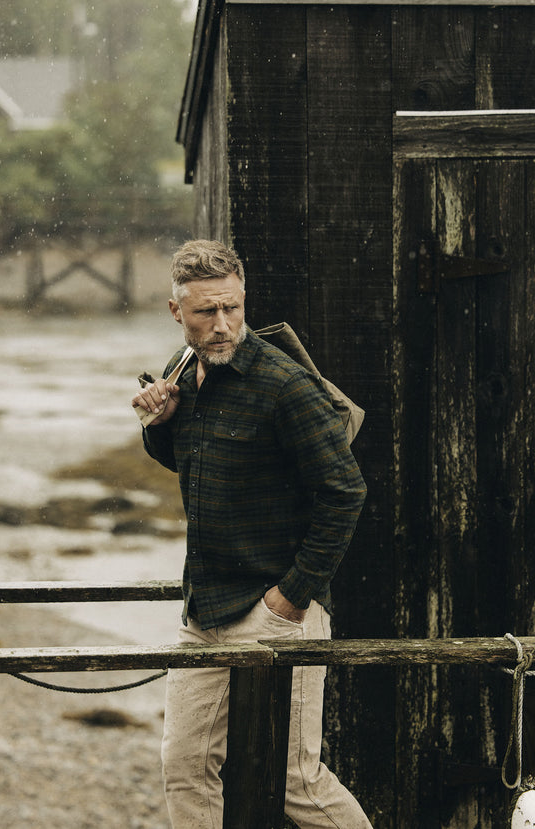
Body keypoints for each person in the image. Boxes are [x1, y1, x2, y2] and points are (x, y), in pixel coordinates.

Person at [131, 239, 372, 829]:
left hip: (275, 611)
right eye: (205, 312)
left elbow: (344, 491)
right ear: (175, 312)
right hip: (203, 611)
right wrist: (159, 426)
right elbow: (196, 464)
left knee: (298, 783)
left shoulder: (285, 386)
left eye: (231, 308)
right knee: (185, 768)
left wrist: (291, 597)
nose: (222, 325)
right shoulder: (180, 374)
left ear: (243, 300)